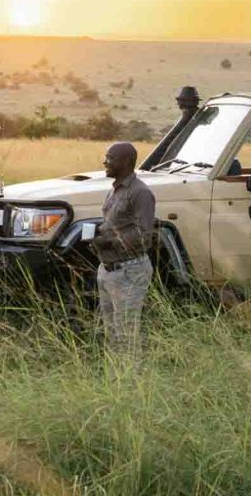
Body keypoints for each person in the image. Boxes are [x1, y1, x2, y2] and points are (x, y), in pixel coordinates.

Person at [90, 141, 156, 356]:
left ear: (127, 162)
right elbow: (115, 224)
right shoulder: (115, 190)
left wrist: (110, 242)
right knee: (111, 334)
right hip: (109, 270)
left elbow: (144, 236)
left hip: (130, 270)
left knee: (126, 335)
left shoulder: (141, 193)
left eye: (110, 158)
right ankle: (116, 381)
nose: (105, 162)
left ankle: (131, 382)